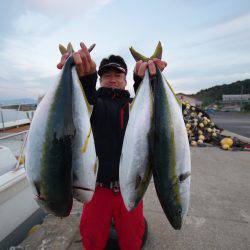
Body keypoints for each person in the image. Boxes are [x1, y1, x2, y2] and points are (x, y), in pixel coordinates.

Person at [57, 42, 167, 250]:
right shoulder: (93, 105)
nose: (113, 79)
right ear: (100, 80)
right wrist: (86, 78)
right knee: (92, 238)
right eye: (107, 76)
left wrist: (143, 80)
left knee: (132, 238)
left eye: (118, 75)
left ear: (126, 80)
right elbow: (86, 95)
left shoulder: (135, 107)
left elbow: (148, 106)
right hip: (98, 189)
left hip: (131, 187)